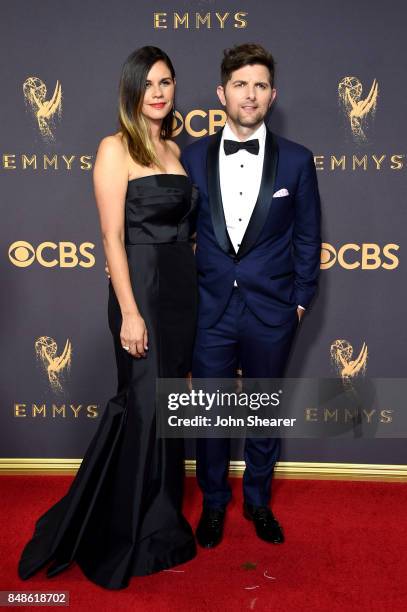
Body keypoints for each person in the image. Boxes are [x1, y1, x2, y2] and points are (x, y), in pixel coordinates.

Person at [17, 46, 198, 590]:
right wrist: (129, 312)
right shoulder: (114, 148)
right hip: (138, 288)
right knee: (142, 406)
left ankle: (163, 524)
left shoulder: (174, 149)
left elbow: (185, 234)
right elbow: (111, 238)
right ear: (131, 91)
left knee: (170, 407)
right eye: (149, 84)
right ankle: (125, 533)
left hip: (180, 295)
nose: (159, 92)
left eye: (166, 81)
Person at [180, 43, 322, 548]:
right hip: (210, 309)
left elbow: (308, 237)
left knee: (263, 410)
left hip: (272, 310)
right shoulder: (190, 157)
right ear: (222, 93)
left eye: (260, 85)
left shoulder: (298, 161)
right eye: (240, 84)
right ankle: (215, 503)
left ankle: (259, 502)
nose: (250, 93)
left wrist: (300, 300)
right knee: (211, 413)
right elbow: (174, 234)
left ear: (272, 95)